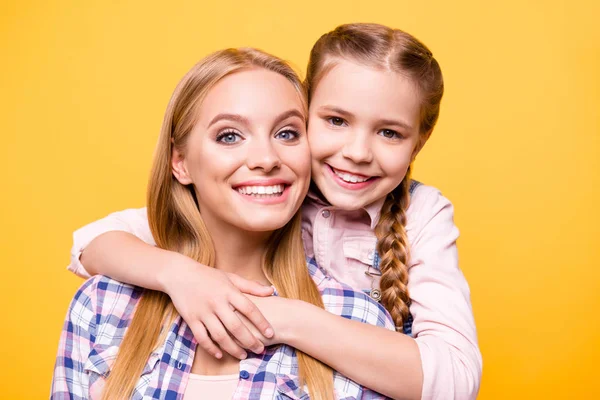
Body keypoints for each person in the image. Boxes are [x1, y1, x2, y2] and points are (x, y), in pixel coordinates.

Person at [66, 24, 482, 399]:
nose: (356, 153)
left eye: (389, 132)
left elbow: (455, 379)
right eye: (336, 121)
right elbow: (93, 242)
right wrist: (183, 275)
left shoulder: (420, 215)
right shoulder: (274, 191)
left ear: (419, 143)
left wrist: (275, 316)